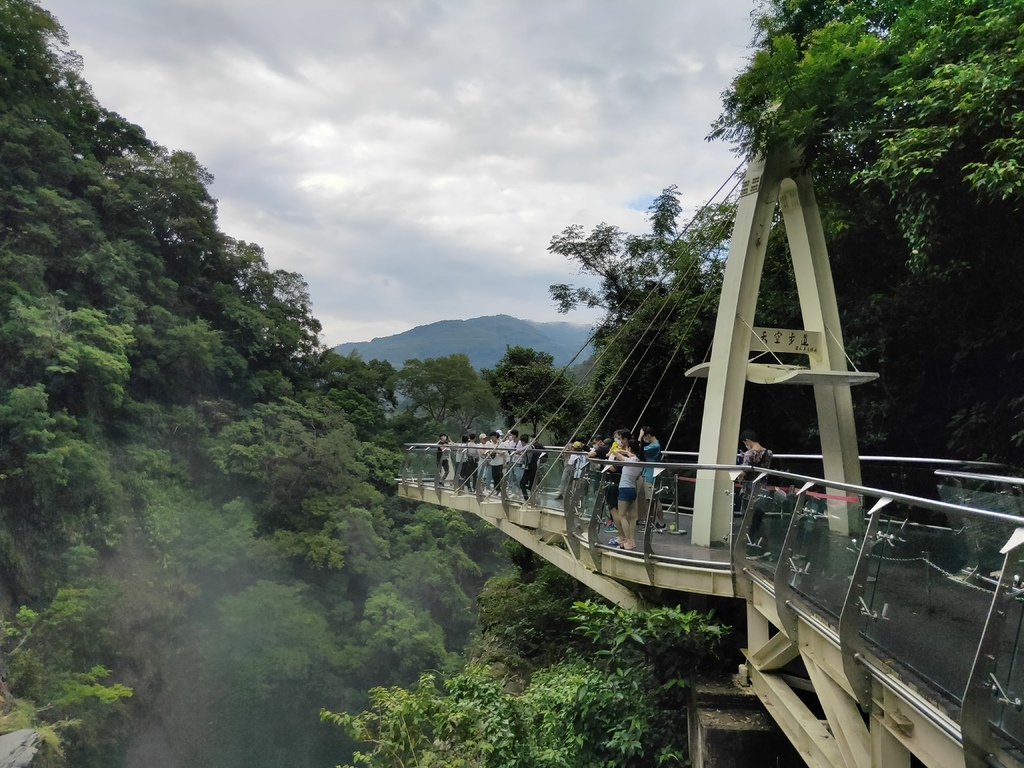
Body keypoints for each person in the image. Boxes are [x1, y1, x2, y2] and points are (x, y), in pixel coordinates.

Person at [608, 439, 643, 551]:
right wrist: (629, 452)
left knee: (622, 515)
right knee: (633, 517)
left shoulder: (630, 460)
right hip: (632, 489)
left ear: (630, 448)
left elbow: (614, 451)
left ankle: (627, 541)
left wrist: (627, 453)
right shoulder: (640, 462)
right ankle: (632, 541)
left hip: (624, 488)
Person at [639, 426, 665, 530]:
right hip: (647, 472)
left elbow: (639, 450)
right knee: (649, 499)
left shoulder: (655, 446)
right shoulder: (652, 445)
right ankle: (653, 521)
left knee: (653, 499)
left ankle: (661, 522)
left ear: (648, 436)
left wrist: (639, 438)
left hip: (651, 474)